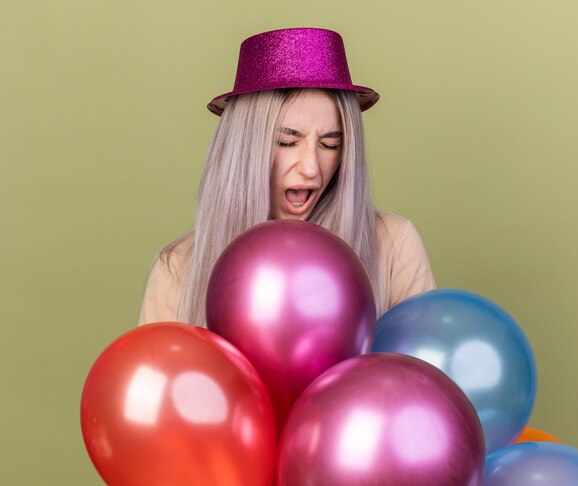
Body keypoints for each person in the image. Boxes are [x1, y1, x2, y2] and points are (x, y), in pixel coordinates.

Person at [138, 27, 436, 328]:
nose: (311, 168)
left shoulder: (393, 246)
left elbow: (422, 371)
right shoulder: (178, 268)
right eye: (287, 142)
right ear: (245, 148)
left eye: (330, 144)